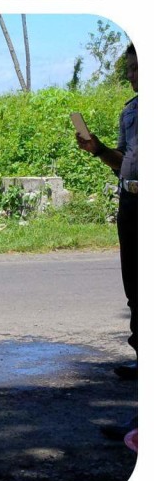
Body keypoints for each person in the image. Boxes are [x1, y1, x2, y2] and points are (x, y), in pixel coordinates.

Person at [75, 42, 137, 381]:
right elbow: (122, 161)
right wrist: (98, 149)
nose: (131, 75)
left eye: (137, 67)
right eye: (129, 68)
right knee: (136, 285)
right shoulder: (129, 112)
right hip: (130, 202)